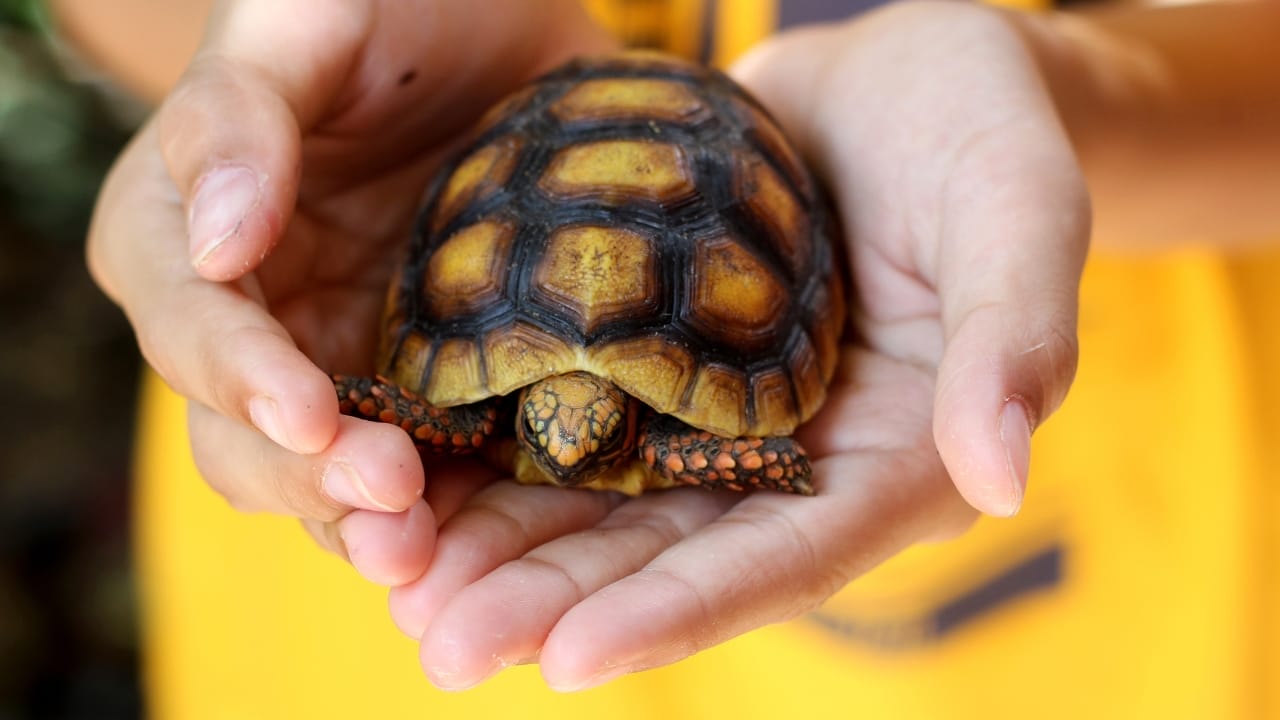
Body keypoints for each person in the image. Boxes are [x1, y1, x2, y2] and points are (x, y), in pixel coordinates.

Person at [82, 0, 1280, 716]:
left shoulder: (652, 435)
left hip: (1092, 570)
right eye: (556, 425)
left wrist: (1076, 100)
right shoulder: (502, 420)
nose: (559, 439)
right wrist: (271, 73)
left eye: (573, 427)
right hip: (351, 646)